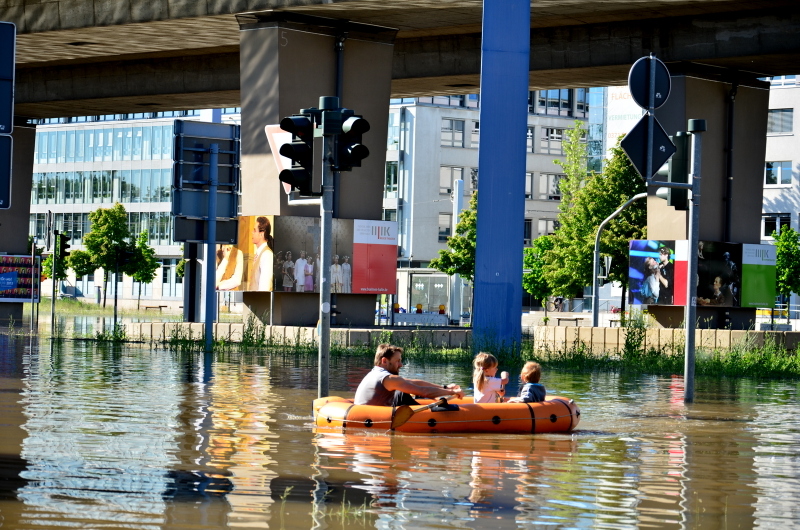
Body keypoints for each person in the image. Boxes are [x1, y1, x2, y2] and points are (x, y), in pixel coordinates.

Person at [354, 344, 464, 406]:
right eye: (398, 361)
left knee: (402, 393)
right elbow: (423, 391)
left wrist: (444, 387)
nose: (401, 365)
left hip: (372, 412)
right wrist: (452, 392)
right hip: (372, 417)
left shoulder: (377, 373)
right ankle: (430, 415)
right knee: (404, 394)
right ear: (384, 361)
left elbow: (414, 383)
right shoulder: (387, 378)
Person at [247, 216, 274, 291]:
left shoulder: (267, 255)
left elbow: (264, 288)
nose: (252, 232)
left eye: (255, 230)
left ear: (261, 234)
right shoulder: (260, 254)